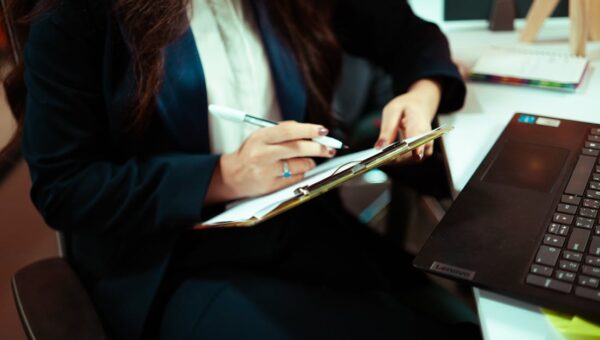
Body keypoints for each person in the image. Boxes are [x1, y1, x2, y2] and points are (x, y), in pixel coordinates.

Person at [2, 0, 478, 339]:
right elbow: (65, 187)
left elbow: (407, 34)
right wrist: (224, 174)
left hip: (302, 226)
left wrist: (420, 95)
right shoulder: (78, 14)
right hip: (172, 263)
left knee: (468, 325)